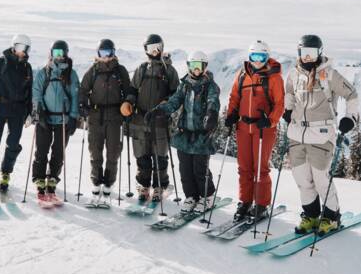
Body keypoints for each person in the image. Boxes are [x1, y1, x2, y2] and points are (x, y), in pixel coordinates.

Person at [284, 34, 358, 234]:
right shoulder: (293, 74)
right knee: (302, 179)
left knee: (321, 179)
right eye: (304, 53)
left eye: (312, 53)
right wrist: (288, 110)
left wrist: (351, 118)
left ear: (319, 52)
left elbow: (352, 94)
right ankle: (310, 215)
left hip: (321, 134)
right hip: (297, 134)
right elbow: (290, 93)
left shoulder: (329, 75)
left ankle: (331, 217)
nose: (308, 57)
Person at [145, 51, 220, 213]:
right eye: (193, 66)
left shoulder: (210, 86)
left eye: (199, 66)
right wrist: (159, 111)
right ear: (189, 66)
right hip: (184, 134)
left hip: (201, 134)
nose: (196, 70)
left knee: (200, 169)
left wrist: (211, 115)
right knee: (185, 169)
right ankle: (191, 196)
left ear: (205, 67)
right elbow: (174, 102)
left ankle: (208, 197)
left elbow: (213, 102)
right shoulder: (184, 85)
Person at [226, 40, 285, 219]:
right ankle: (245, 201)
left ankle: (261, 204)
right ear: (249, 56)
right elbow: (234, 97)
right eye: (254, 56)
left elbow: (280, 103)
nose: (257, 61)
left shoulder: (274, 77)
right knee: (244, 167)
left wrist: (270, 121)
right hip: (243, 127)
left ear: (267, 57)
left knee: (260, 168)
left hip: (263, 129)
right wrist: (231, 115)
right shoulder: (242, 75)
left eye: (261, 56)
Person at [120, 34, 179, 202]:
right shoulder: (142, 68)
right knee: (142, 156)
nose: (154, 51)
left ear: (162, 47)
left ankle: (159, 186)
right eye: (150, 48)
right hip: (140, 120)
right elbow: (132, 89)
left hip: (160, 121)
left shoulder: (169, 70)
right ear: (145, 50)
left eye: (157, 47)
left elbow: (176, 94)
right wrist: (128, 103)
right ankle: (144, 185)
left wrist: (165, 106)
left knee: (160, 156)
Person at [79, 39, 130, 204]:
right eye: (102, 53)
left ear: (114, 53)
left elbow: (129, 91)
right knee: (95, 150)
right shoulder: (93, 71)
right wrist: (83, 105)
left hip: (115, 116)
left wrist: (127, 105)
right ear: (98, 54)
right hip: (95, 116)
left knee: (113, 152)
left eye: (109, 53)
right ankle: (96, 182)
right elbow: (83, 90)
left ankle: (108, 183)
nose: (106, 57)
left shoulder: (120, 71)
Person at [0, 34, 33, 193]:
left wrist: (28, 112)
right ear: (13, 46)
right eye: (19, 47)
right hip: (0, 107)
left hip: (18, 110)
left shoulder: (27, 68)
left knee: (13, 144)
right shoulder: (0, 62)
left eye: (25, 48)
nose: (21, 51)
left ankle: (6, 173)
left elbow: (28, 92)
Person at [31, 40, 79, 204]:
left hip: (63, 119)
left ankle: (52, 181)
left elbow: (75, 96)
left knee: (58, 151)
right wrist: (40, 112)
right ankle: (39, 181)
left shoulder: (71, 74)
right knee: (42, 150)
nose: (58, 56)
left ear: (66, 54)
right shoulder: (43, 72)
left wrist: (73, 117)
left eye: (61, 53)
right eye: (55, 52)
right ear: (51, 53)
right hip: (45, 117)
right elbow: (36, 93)